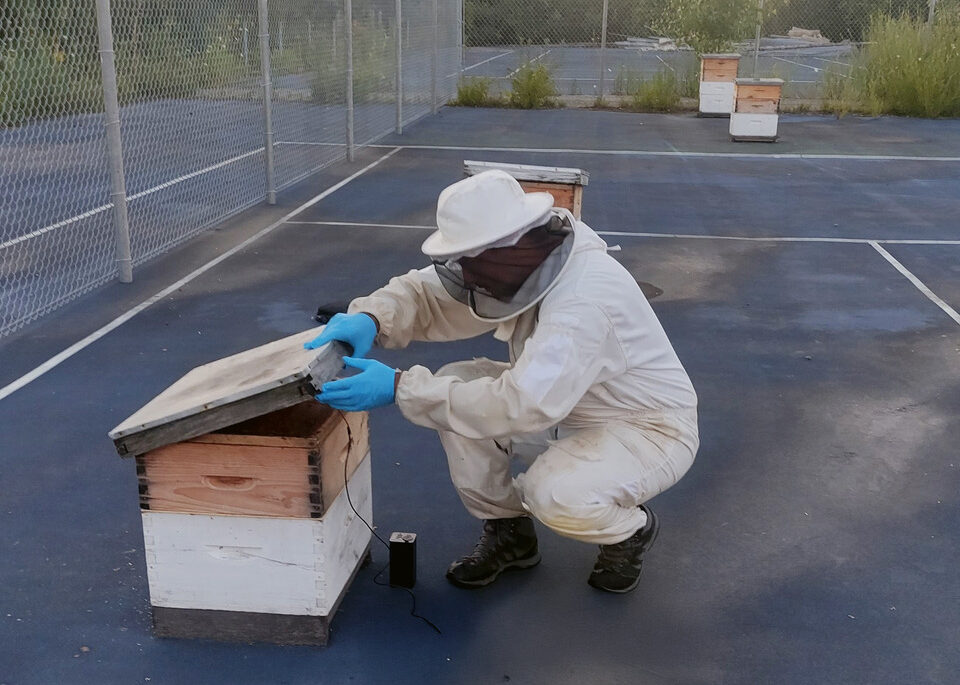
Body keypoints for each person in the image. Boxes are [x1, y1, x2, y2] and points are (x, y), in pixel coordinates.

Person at [305, 170, 699, 594]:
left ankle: (629, 530)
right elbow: (425, 293)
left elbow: (522, 404)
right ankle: (510, 532)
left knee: (554, 495)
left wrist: (401, 388)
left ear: (505, 247)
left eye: (472, 264)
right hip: (565, 404)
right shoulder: (522, 258)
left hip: (644, 429)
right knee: (455, 384)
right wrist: (371, 316)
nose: (467, 277)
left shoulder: (583, 303)